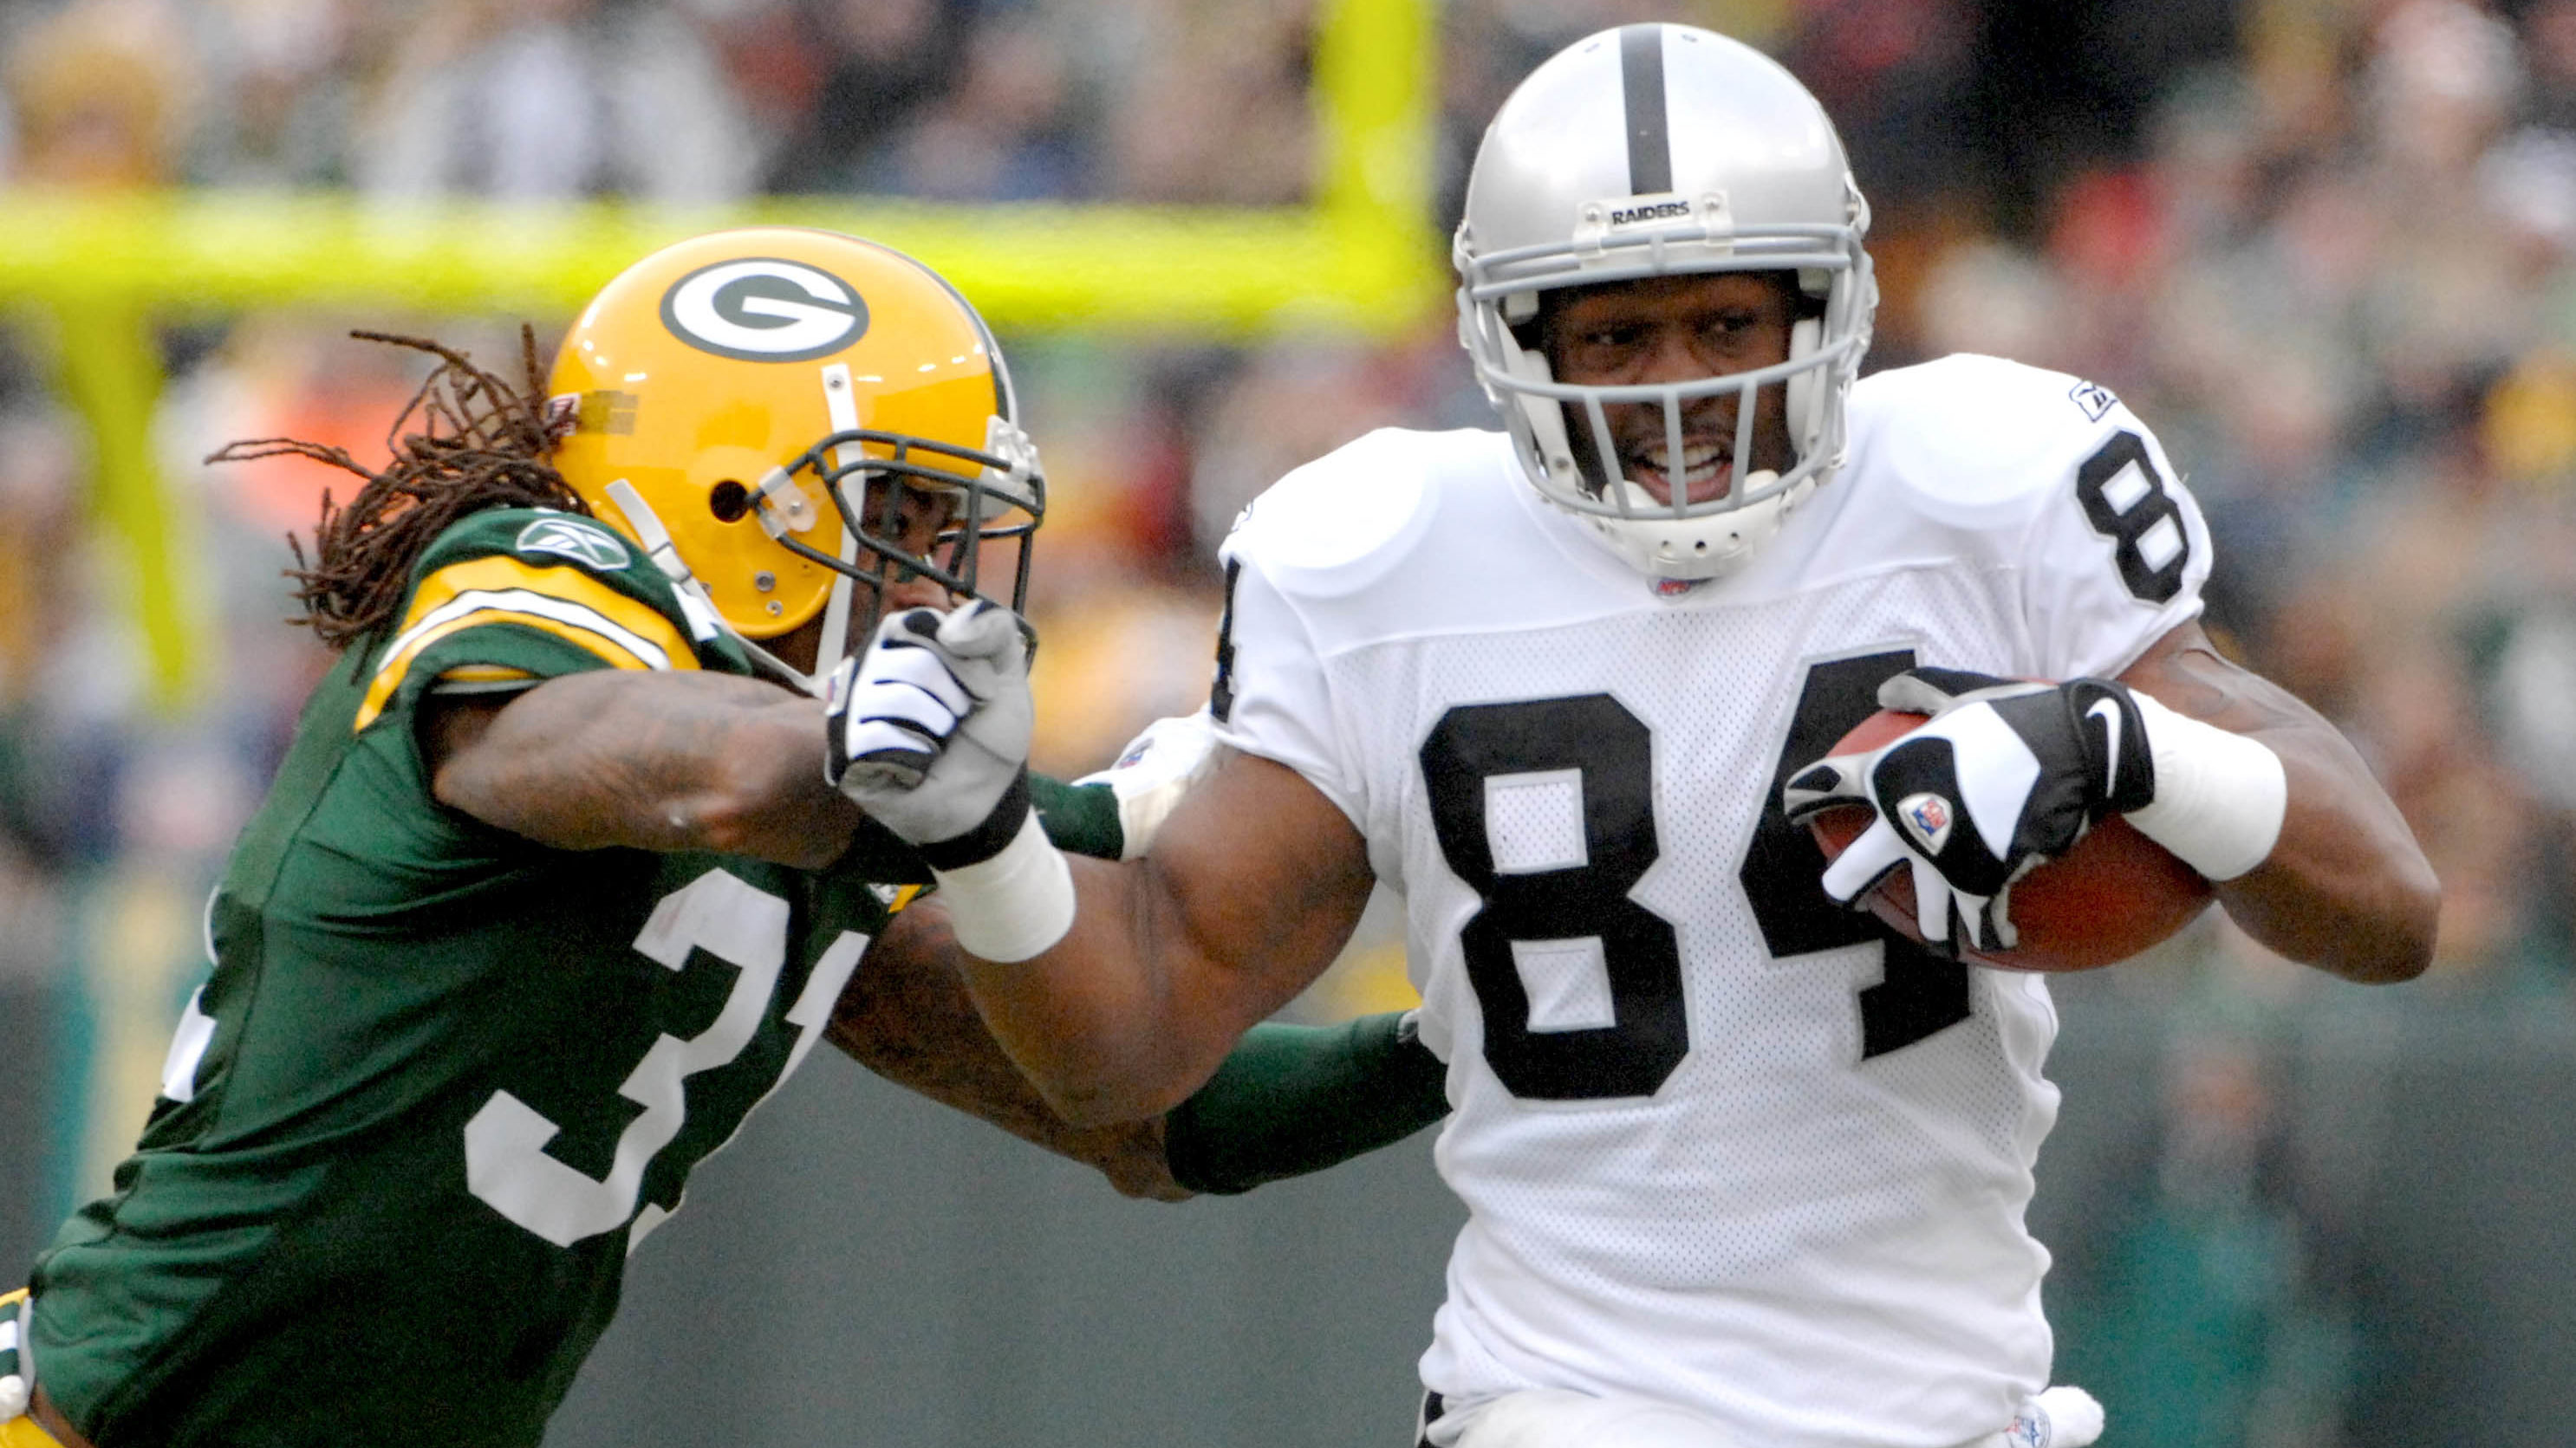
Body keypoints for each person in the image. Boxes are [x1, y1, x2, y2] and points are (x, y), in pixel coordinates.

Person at [828, 25, 2441, 1448]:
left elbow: (2386, 912)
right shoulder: (1379, 555)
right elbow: (1133, 1046)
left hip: (1962, 1404)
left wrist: (2127, 751)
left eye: (1728, 324)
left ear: (1833, 303)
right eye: (1615, 337)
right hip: (1575, 1406)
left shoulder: (1989, 483)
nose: (1677, 397)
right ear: (1510, 347)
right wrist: (987, 843)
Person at [0, 228, 1447, 1448]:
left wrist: (1465, 1044)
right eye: (911, 512)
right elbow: (644, 763)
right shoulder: (541, 599)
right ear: (739, 494)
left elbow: (1146, 1111)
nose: (939, 576)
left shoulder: (837, 800)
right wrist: (913, 772)